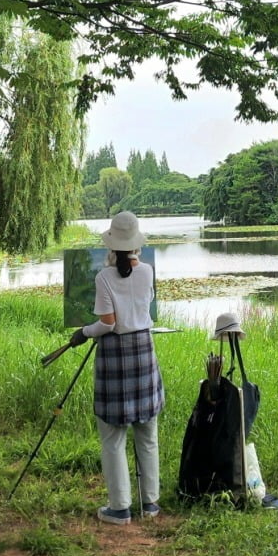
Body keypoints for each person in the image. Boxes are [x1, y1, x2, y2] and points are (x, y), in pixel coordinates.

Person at [68, 210, 164, 525]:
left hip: (114, 356)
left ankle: (120, 508)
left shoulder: (104, 277)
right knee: (147, 434)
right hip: (143, 352)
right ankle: (150, 505)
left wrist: (83, 332)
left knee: (113, 437)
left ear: (111, 243)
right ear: (136, 244)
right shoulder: (148, 271)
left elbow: (107, 324)